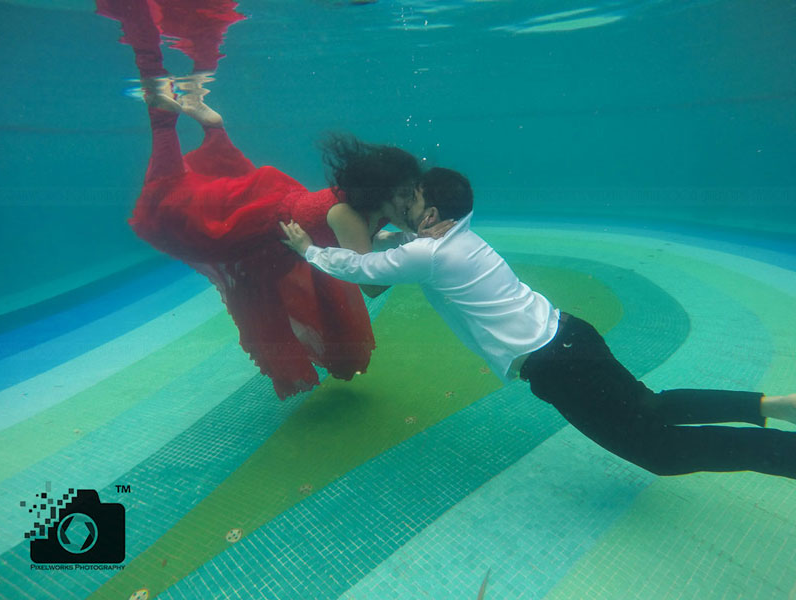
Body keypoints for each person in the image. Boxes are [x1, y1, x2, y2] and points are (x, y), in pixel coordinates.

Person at [281, 167, 796, 478]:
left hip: (558, 366)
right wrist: (393, 236)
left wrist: (309, 250)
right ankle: (772, 405)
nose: (400, 213)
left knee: (659, 452)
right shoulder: (456, 241)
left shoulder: (432, 255)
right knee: (650, 406)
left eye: (409, 205)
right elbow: (402, 247)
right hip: (572, 335)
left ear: (432, 212)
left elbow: (362, 267)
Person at [97, 0, 428, 399]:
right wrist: (420, 256)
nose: (414, 206)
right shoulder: (349, 216)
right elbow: (369, 283)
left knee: (182, 192)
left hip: (280, 207)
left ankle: (206, 123)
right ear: (382, 194)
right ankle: (162, 111)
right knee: (167, 201)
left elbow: (366, 252)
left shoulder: (365, 211)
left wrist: (400, 240)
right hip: (254, 223)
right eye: (407, 197)